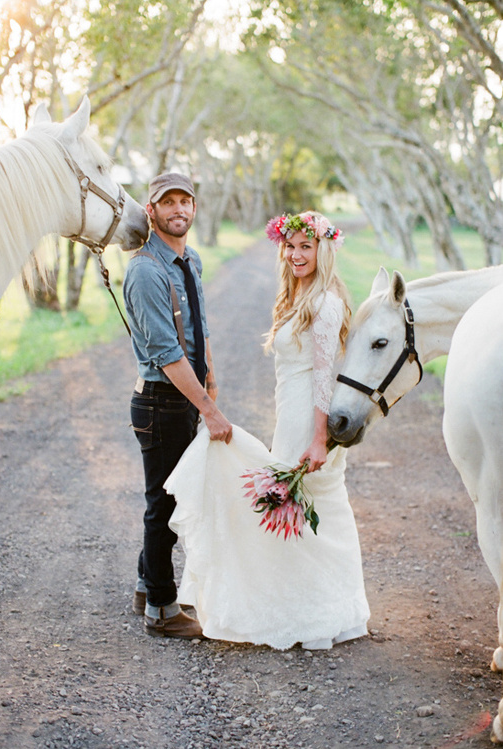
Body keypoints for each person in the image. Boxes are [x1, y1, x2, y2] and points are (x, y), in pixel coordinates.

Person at [164, 211, 370, 649]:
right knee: (303, 511)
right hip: (291, 413)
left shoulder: (325, 303)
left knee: (316, 509)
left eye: (305, 247)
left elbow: (323, 376)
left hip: (307, 420)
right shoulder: (298, 294)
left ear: (323, 249)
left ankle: (325, 611)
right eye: (290, 246)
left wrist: (319, 440)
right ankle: (314, 605)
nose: (296, 255)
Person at [123, 172, 232, 640]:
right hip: (162, 402)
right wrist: (208, 409)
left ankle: (149, 586)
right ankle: (162, 610)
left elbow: (198, 325)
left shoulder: (191, 261)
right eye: (168, 202)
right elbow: (167, 354)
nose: (178, 209)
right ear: (151, 211)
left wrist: (210, 375)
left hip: (185, 395)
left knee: (173, 496)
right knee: (163, 502)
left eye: (185, 201)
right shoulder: (146, 270)